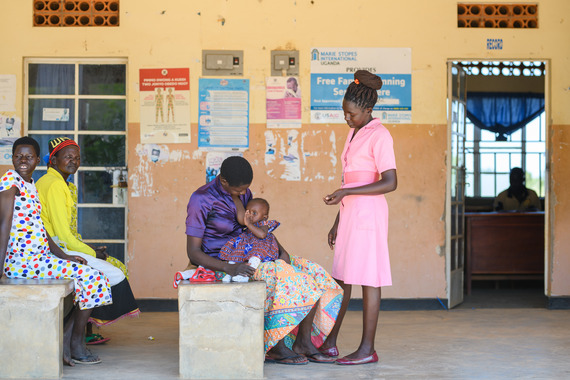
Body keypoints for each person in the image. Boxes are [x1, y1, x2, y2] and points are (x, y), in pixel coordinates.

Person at [186, 156, 343, 365]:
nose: (243, 194)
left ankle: (303, 342)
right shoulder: (201, 199)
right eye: (239, 190)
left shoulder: (245, 194)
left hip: (254, 254)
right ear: (223, 181)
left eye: (245, 190)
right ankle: (275, 345)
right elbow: (193, 252)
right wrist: (230, 268)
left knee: (309, 272)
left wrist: (281, 251)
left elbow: (258, 227)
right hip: (223, 261)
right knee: (286, 278)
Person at [0, 136, 112, 365]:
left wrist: (65, 256)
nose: (23, 160)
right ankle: (74, 343)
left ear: (38, 160)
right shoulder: (10, 180)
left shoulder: (31, 186)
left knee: (94, 277)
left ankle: (68, 338)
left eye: (29, 156)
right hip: (23, 262)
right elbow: (4, 222)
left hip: (40, 259)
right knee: (93, 278)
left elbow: (41, 230)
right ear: (11, 159)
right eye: (18, 156)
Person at [321, 70, 398, 365]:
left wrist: (344, 193)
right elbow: (349, 182)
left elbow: (390, 182)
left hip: (368, 216)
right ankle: (329, 342)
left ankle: (368, 349)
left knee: (368, 280)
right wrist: (337, 221)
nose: (347, 119)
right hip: (350, 214)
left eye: (351, 114)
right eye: (344, 113)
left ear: (367, 110)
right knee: (341, 278)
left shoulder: (380, 135)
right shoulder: (353, 133)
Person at [36, 137, 139, 335]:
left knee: (112, 269)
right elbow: (63, 235)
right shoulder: (55, 185)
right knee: (115, 273)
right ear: (53, 160)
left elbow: (66, 232)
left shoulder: (57, 182)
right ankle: (74, 334)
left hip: (61, 247)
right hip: (56, 251)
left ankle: (81, 332)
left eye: (77, 157)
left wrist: (91, 250)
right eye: (67, 157)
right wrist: (92, 252)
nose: (73, 161)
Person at [219, 198, 284, 281]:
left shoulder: (263, 224)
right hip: (248, 245)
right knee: (234, 254)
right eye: (248, 211)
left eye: (254, 213)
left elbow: (262, 235)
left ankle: (245, 276)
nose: (250, 215)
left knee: (254, 258)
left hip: (260, 247)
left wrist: (249, 224)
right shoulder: (248, 224)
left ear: (264, 217)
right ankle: (230, 274)